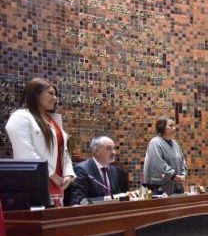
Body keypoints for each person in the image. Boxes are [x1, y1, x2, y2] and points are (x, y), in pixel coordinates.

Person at [5, 78, 75, 206]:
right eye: (50, 93)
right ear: (36, 95)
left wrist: (68, 175)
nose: (55, 98)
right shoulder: (21, 117)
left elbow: (64, 152)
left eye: (56, 95)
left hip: (58, 186)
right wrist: (52, 175)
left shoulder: (54, 120)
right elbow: (25, 153)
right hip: (35, 184)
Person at [70, 137, 126, 205]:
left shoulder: (115, 171)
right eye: (109, 148)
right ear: (96, 151)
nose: (114, 152)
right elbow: (78, 201)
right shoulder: (82, 170)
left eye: (113, 148)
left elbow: (119, 195)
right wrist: (108, 199)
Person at [142, 116, 187, 195]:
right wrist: (173, 176)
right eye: (171, 126)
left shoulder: (175, 143)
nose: (174, 128)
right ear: (162, 127)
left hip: (176, 186)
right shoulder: (155, 142)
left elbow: (182, 161)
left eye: (174, 125)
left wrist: (183, 174)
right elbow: (158, 164)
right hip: (159, 188)